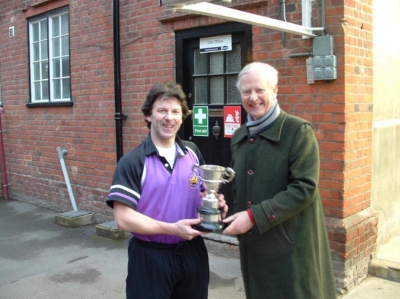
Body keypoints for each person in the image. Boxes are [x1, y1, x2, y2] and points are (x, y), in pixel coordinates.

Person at [222, 62, 337, 299]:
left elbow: (304, 189)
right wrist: (224, 209)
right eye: (246, 91)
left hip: (291, 248)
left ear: (275, 89)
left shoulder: (298, 131)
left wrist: (253, 217)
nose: (253, 98)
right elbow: (237, 186)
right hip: (254, 248)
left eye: (260, 90)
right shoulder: (239, 136)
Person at [106, 82, 227, 299]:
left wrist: (214, 204)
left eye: (175, 111)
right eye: (161, 110)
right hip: (149, 258)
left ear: (182, 117)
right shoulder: (133, 161)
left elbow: (201, 194)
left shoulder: (192, 152)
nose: (169, 117)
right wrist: (172, 229)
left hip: (193, 254)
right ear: (149, 116)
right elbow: (123, 218)